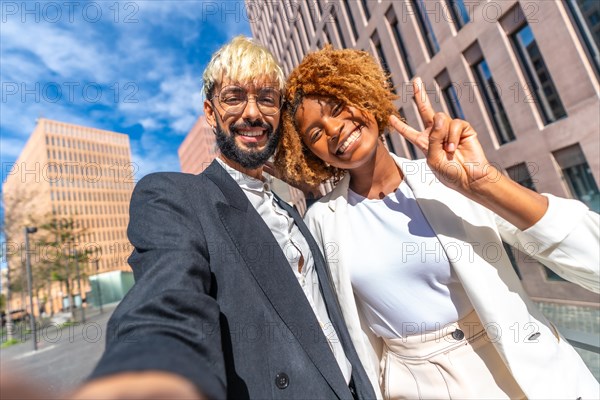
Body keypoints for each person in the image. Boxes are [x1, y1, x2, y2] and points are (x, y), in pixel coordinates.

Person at [274, 46, 600, 400]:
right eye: (316, 134)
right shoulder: (322, 221)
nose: (335, 129)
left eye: (337, 108)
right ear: (309, 153)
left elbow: (592, 261)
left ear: (363, 95)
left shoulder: (445, 174)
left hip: (521, 370)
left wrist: (485, 184)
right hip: (414, 385)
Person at [73, 37, 376, 399]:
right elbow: (167, 302)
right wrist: (150, 378)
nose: (252, 112)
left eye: (266, 98)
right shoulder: (175, 197)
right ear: (210, 111)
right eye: (234, 97)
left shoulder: (290, 211)